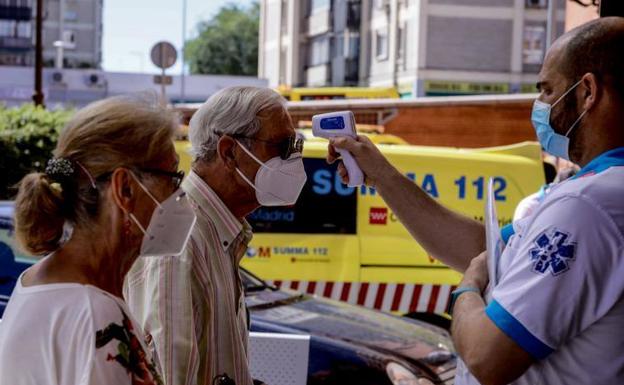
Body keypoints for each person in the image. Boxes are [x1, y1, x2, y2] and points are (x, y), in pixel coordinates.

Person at [327, 17, 624, 385]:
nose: (540, 106)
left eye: (547, 91)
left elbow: (487, 355)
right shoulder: (594, 191)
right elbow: (484, 249)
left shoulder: (586, 206)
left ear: (588, 91)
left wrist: (468, 288)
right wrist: (382, 175)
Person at [0, 95, 194, 385]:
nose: (180, 194)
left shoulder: (40, 281)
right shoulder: (94, 313)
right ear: (125, 189)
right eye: (173, 178)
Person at [124, 86, 306, 385]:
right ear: (229, 151)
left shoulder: (217, 231)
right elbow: (171, 377)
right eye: (283, 146)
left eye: (296, 146)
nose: (293, 160)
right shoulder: (179, 237)